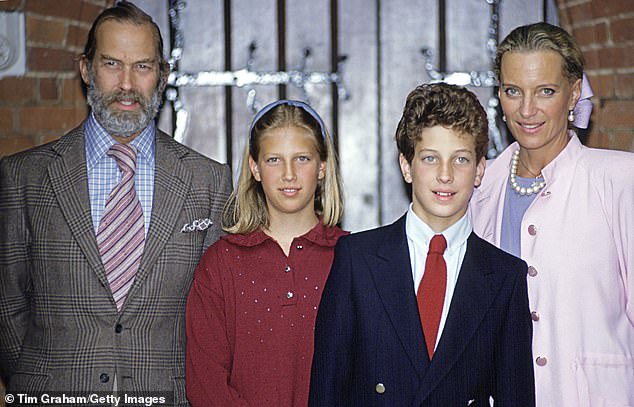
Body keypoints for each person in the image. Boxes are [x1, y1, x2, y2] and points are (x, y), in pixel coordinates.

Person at [0, 2, 232, 404]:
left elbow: (217, 318)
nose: (127, 84)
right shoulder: (24, 177)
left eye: (142, 66)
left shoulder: (208, 182)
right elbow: (7, 306)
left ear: (162, 76)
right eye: (112, 64)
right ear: (86, 69)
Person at [309, 83, 535, 406]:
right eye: (430, 158)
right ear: (406, 166)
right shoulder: (357, 260)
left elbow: (516, 398)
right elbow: (326, 392)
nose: (445, 175)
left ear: (480, 170)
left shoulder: (505, 277)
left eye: (460, 160)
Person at [468, 21, 634, 407]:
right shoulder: (479, 186)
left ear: (574, 92)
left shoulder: (620, 179)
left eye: (545, 91)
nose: (527, 110)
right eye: (513, 91)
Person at [185, 99, 346, 407]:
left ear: (322, 167)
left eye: (302, 158)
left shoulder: (354, 258)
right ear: (255, 167)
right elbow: (205, 382)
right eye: (274, 160)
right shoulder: (220, 263)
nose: (289, 174)